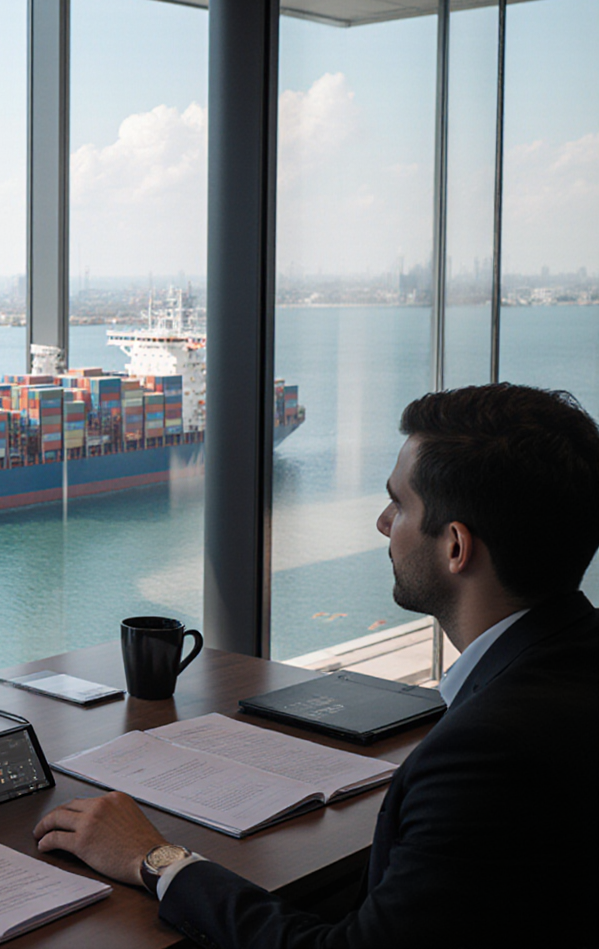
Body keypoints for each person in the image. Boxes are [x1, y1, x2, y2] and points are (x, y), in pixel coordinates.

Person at [33, 383, 599, 948]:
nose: (383, 522)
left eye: (399, 503)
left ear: (456, 547)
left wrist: (157, 858)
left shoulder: (484, 754)